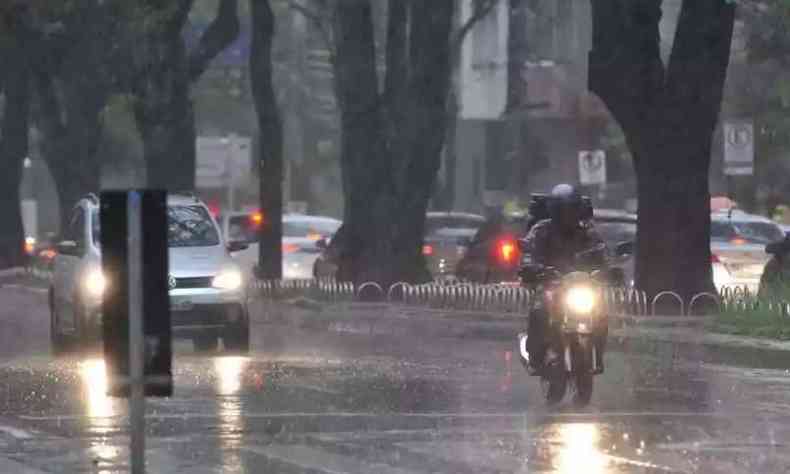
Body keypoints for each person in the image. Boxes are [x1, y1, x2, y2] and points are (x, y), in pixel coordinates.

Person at [523, 184, 607, 373]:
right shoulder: (541, 230)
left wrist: (608, 269)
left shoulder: (588, 233)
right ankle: (535, 356)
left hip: (580, 284)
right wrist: (532, 266)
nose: (567, 215)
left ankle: (598, 354)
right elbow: (529, 250)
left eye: (571, 210)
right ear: (554, 210)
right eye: (562, 210)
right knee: (539, 310)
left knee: (601, 312)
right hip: (551, 283)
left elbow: (602, 253)